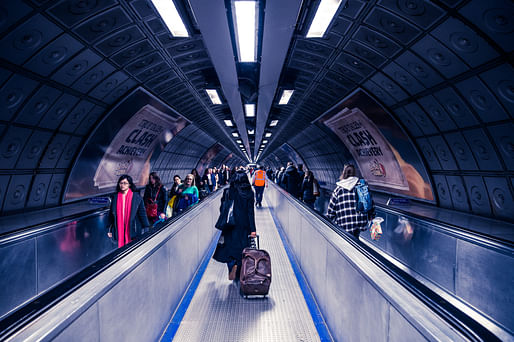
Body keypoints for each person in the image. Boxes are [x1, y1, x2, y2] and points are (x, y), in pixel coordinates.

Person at [213, 169, 257, 280]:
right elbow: (250, 212)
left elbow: (222, 208)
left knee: (229, 248)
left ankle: (232, 266)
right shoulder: (249, 193)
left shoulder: (228, 191)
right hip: (244, 225)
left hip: (230, 225)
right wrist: (253, 229)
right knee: (242, 249)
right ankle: (239, 270)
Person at [326, 164, 371, 239]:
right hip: (359, 222)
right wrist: (370, 216)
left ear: (343, 174)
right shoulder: (362, 187)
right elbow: (369, 204)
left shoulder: (338, 190)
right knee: (355, 239)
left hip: (344, 223)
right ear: (354, 173)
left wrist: (328, 219)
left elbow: (331, 211)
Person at [108, 175, 150, 248]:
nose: (122, 185)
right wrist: (109, 229)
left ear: (129, 184)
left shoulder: (136, 197)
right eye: (121, 183)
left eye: (125, 183)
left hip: (133, 227)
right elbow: (111, 215)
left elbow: (142, 213)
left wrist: (146, 227)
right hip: (119, 227)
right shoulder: (115, 197)